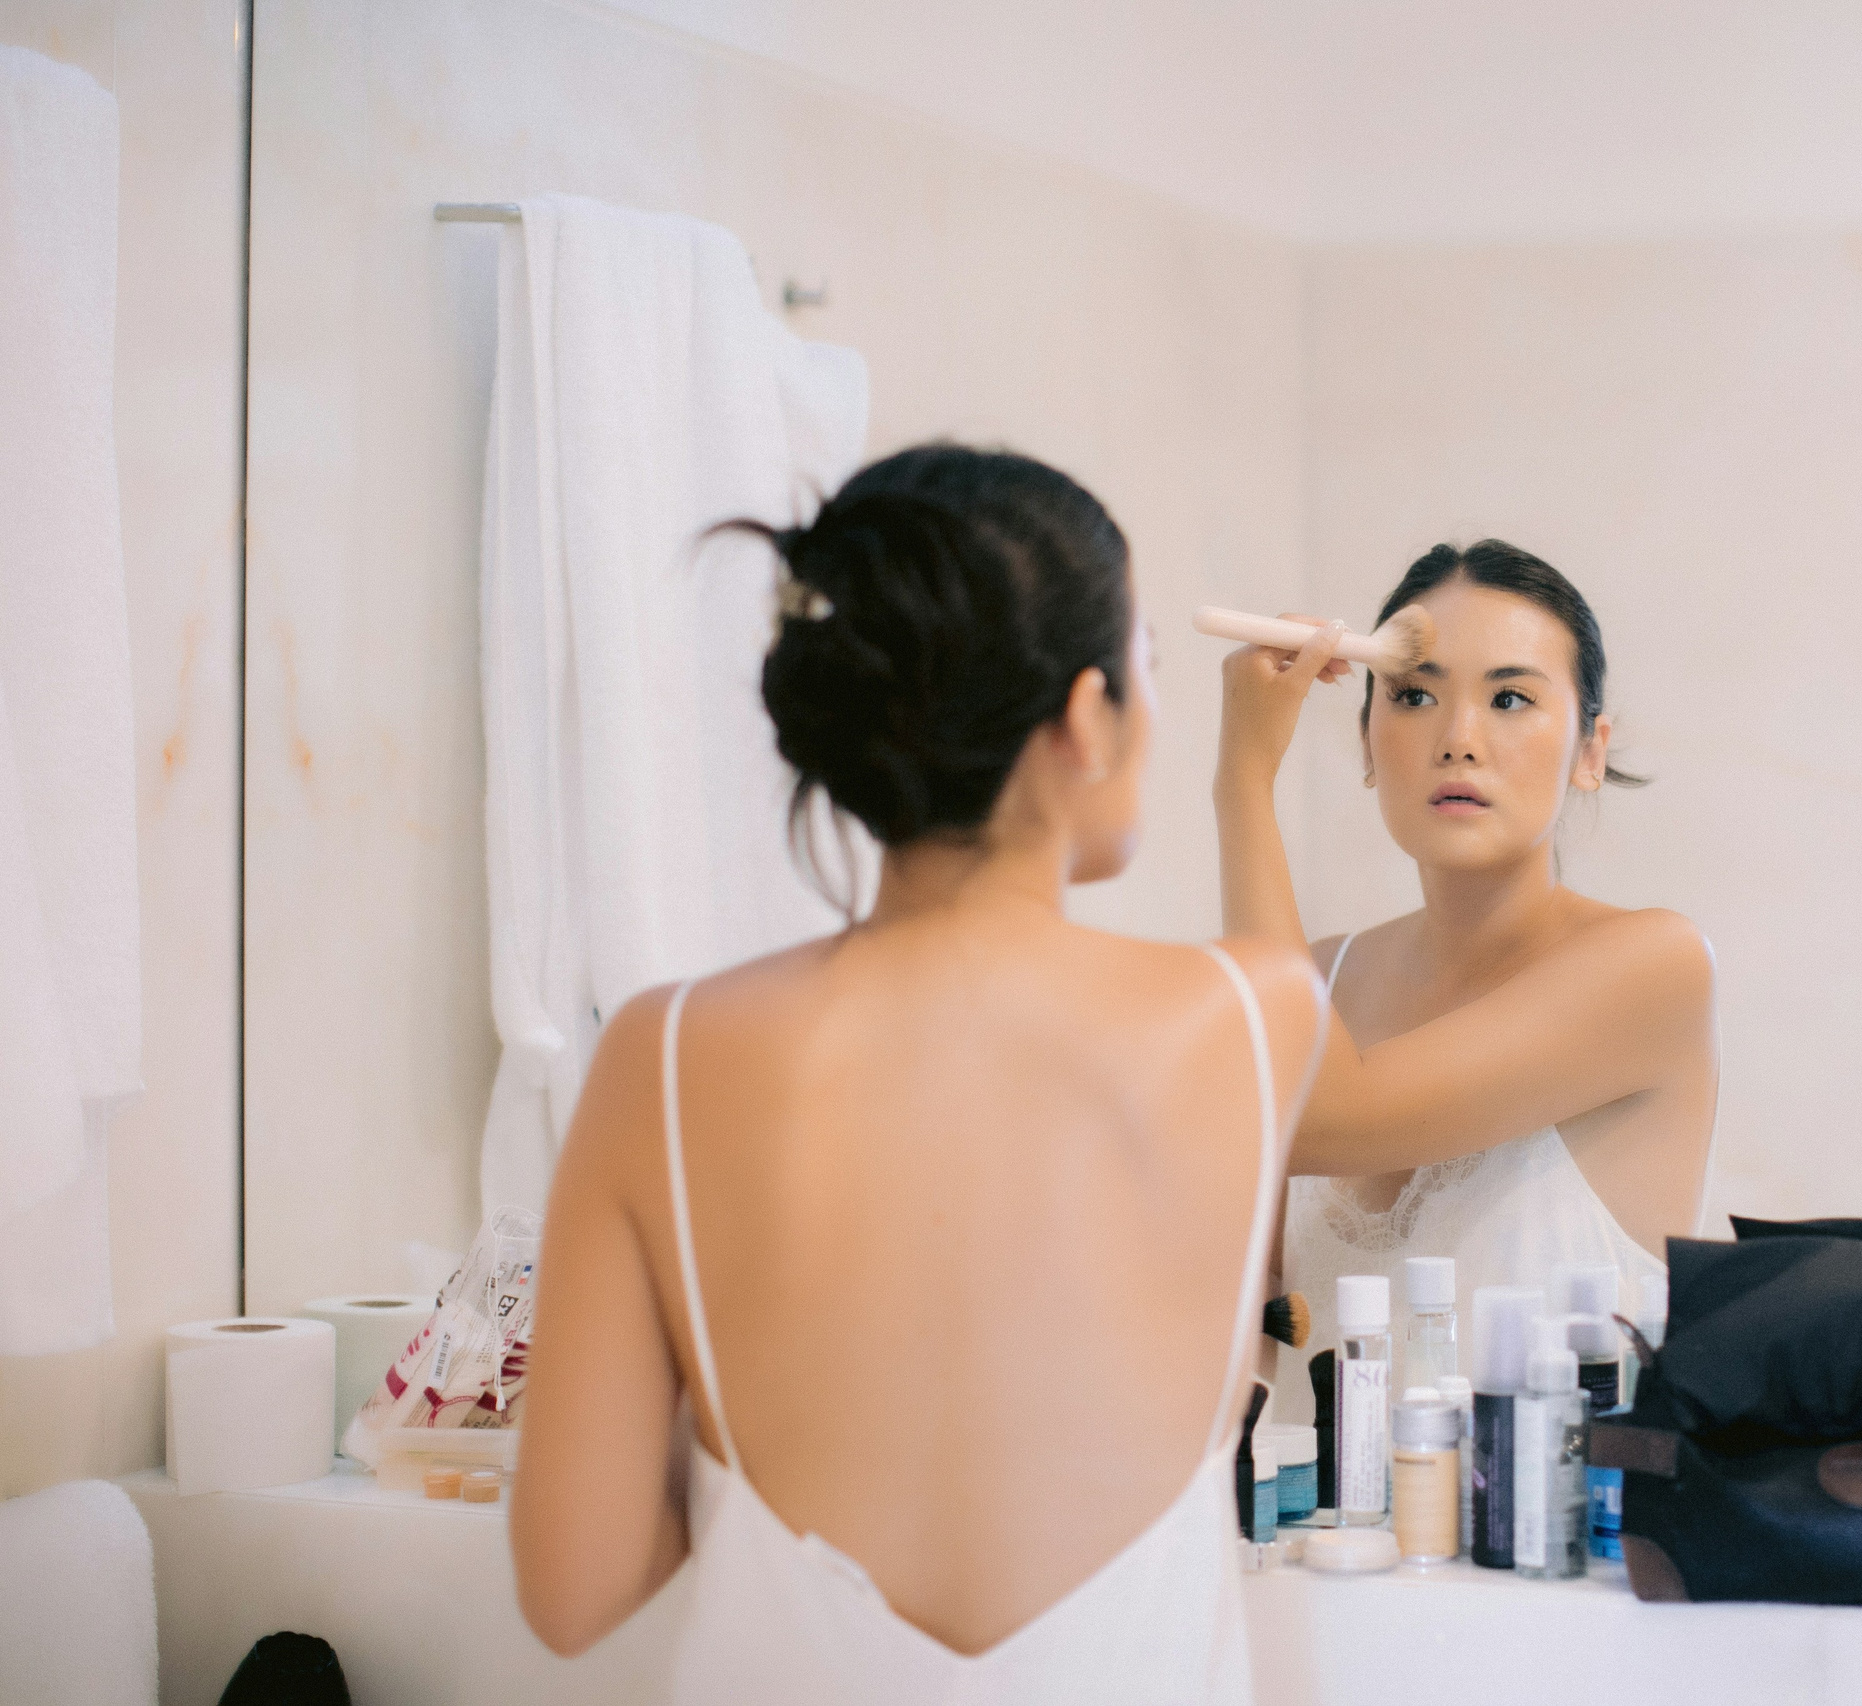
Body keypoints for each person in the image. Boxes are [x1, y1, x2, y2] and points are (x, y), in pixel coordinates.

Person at [513, 445, 1324, 1702]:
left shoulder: (662, 1059)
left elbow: (574, 1590)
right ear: (1085, 714)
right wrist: (1252, 763)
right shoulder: (1254, 1012)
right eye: (1146, 662)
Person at [1215, 539, 1717, 1407]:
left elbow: (1315, 1119)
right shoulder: (1315, 979)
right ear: (1369, 741)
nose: (1459, 739)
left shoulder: (1653, 966)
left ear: (1590, 751)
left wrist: (1243, 781)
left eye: (1511, 697)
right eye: (1414, 695)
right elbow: (1250, 1329)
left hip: (1561, 1538)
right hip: (1324, 1544)